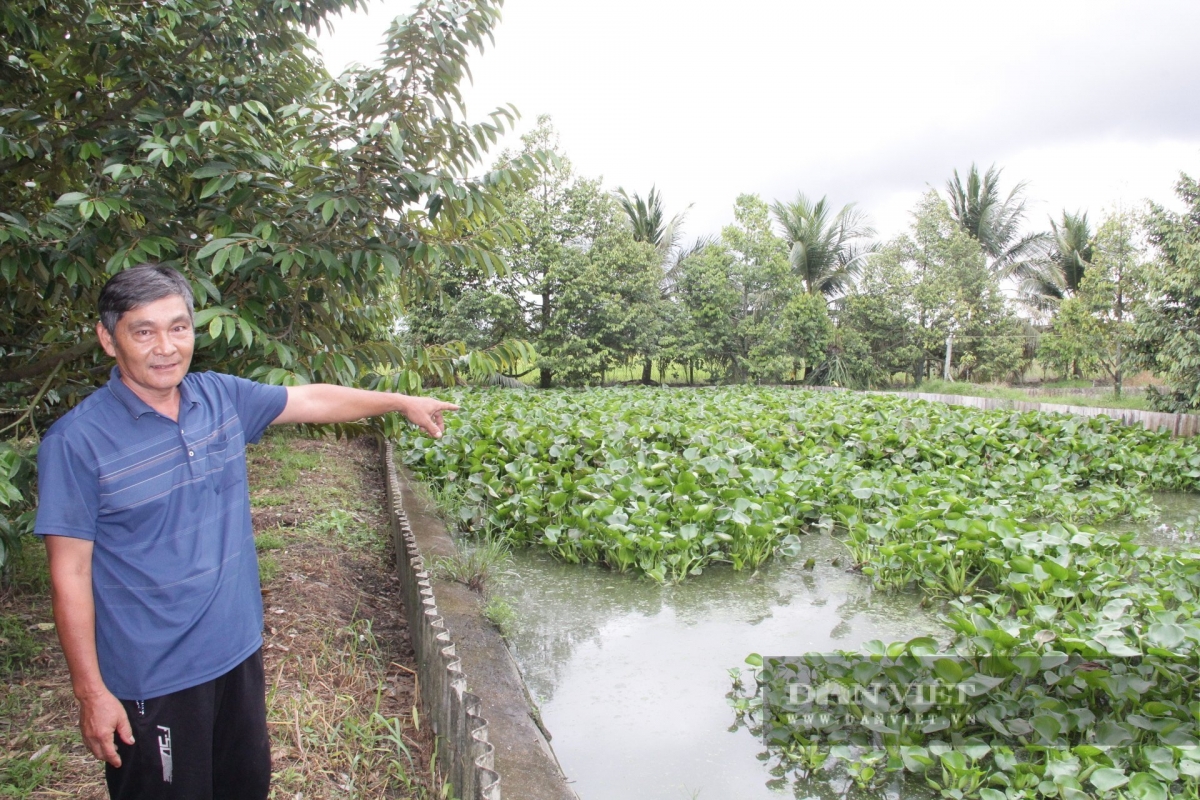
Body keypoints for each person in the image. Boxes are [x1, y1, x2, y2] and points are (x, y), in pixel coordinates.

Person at [34, 264, 458, 800]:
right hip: (153, 681)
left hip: (237, 654)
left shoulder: (220, 399)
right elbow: (68, 572)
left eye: (179, 327)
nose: (166, 347)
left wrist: (399, 402)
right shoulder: (76, 442)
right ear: (108, 339)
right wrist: (91, 692)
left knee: (245, 788)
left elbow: (310, 401)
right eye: (144, 331)